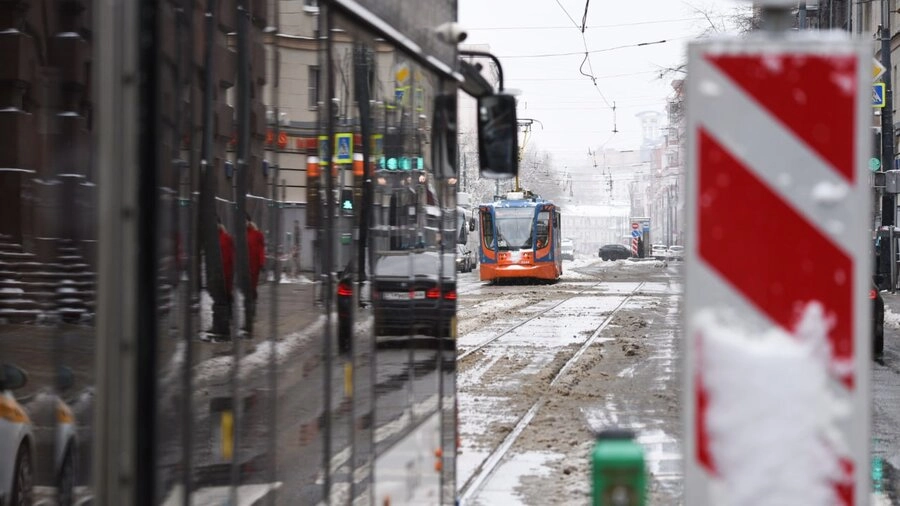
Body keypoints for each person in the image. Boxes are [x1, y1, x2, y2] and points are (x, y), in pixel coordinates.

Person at [246, 214, 266, 301]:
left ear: (249, 221)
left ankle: (252, 303)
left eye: (245, 221)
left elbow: (261, 249)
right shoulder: (240, 234)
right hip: (245, 264)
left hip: (254, 265)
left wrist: (261, 263)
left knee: (252, 286)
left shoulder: (257, 234)